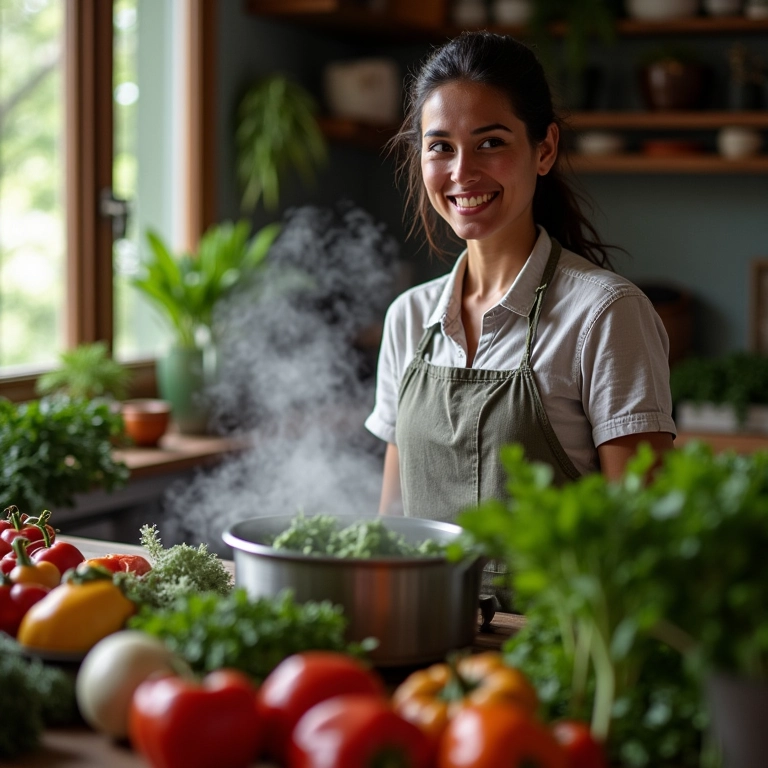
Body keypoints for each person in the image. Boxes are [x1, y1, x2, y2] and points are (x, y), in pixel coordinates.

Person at [364, 30, 676, 527]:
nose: (462, 172)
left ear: (545, 149)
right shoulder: (408, 318)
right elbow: (392, 525)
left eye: (491, 142)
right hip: (424, 608)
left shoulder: (606, 314)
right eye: (441, 146)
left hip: (553, 610)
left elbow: (641, 539)